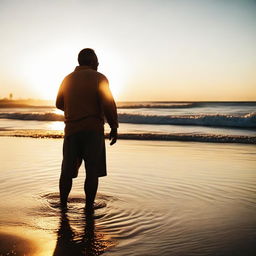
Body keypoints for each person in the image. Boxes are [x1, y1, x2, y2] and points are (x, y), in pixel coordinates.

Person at [56, 48, 118, 212]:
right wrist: (114, 126)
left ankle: (62, 205)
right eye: (97, 60)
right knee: (92, 172)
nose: (98, 63)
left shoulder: (67, 79)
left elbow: (58, 103)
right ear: (91, 61)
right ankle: (88, 207)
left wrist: (74, 110)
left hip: (71, 131)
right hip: (93, 131)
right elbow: (108, 104)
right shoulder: (100, 78)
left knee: (67, 171)